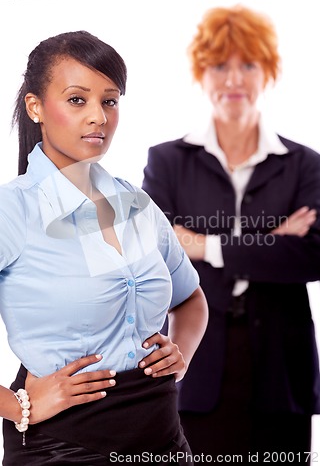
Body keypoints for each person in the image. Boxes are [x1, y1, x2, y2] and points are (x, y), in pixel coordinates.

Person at [0, 30, 209, 465]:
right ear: (35, 106)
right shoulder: (13, 210)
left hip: (163, 436)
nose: (98, 116)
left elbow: (191, 299)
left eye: (109, 101)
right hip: (64, 446)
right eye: (77, 100)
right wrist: (20, 406)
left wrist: (181, 355)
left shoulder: (135, 203)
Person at [142, 5, 320, 461]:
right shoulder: (168, 162)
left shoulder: (305, 164)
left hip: (281, 371)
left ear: (269, 73)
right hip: (194, 362)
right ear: (202, 74)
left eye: (248, 65)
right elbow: (152, 252)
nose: (233, 79)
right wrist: (274, 240)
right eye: (219, 65)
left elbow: (313, 257)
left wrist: (204, 245)